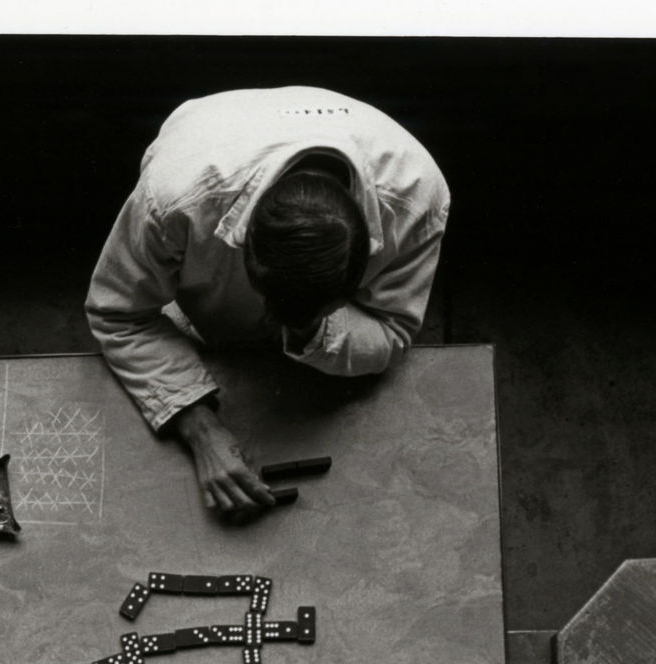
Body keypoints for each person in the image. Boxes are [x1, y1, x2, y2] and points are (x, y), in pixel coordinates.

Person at [85, 87, 451, 519]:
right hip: (207, 141)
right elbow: (118, 312)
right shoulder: (173, 199)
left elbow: (392, 329)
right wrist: (199, 426)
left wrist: (312, 331)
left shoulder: (418, 199)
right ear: (246, 247)